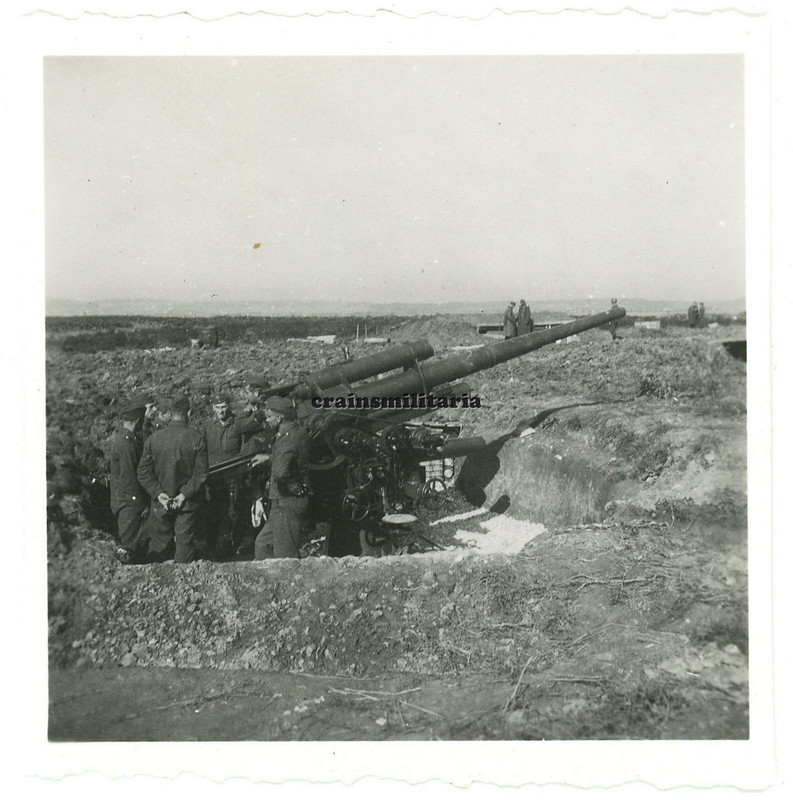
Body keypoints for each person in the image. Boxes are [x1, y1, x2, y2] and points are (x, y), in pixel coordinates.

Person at [137, 394, 209, 564]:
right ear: (188, 412)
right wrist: (183, 495)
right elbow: (201, 474)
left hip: (161, 503)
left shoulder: (154, 439)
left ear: (170, 413)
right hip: (187, 504)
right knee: (185, 548)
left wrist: (158, 493)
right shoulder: (196, 438)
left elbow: (143, 472)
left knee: (158, 546)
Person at [199, 392, 266, 557]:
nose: (221, 411)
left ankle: (233, 546)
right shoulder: (207, 426)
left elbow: (245, 447)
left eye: (223, 407)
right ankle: (212, 547)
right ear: (213, 408)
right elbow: (202, 451)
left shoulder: (237, 424)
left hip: (234, 476)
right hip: (213, 477)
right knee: (213, 512)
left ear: (228, 406)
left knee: (234, 511)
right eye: (217, 408)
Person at [253, 396, 312, 560]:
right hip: (287, 501)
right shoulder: (298, 431)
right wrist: (269, 458)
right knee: (262, 545)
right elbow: (292, 456)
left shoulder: (285, 440)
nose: (267, 420)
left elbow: (280, 472)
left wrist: (279, 480)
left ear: (279, 418)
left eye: (269, 417)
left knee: (285, 556)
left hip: (286, 501)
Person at [109, 400, 149, 564]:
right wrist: (141, 504)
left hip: (126, 500)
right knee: (129, 548)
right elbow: (129, 477)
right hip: (129, 503)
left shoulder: (125, 439)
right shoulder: (127, 444)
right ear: (138, 421)